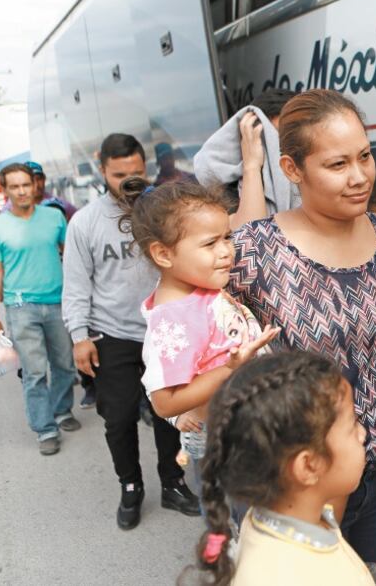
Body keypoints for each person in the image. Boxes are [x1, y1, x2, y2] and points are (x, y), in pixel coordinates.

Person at [229, 89, 376, 586]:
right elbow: (191, 334)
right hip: (295, 485)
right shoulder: (253, 253)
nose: (359, 177)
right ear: (291, 169)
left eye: (365, 157)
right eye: (337, 164)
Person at [61, 134, 198, 529]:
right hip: (114, 335)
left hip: (165, 329)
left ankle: (172, 483)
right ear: (102, 170)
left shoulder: (165, 213)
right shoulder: (85, 222)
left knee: (168, 415)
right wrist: (79, 336)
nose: (128, 180)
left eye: (136, 172)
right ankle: (131, 487)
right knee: (118, 418)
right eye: (119, 174)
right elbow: (76, 284)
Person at [115, 176, 278, 477]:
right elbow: (164, 401)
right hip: (229, 443)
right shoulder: (174, 319)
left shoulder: (198, 288)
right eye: (210, 243)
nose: (227, 251)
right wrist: (230, 369)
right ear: (163, 254)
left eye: (226, 237)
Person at [184, 351, 375, 586]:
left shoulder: (263, 516)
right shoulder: (314, 577)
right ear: (308, 465)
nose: (362, 434)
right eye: (352, 426)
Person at [0, 163, 79, 455]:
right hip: (20, 306)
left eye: (26, 184)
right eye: (14, 186)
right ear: (5, 190)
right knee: (35, 372)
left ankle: (62, 410)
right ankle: (45, 428)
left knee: (64, 363)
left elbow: (71, 257)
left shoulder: (54, 218)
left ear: (34, 185)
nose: (22, 191)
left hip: (58, 302)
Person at [194, 88, 298, 229]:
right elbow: (251, 237)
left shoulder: (310, 175)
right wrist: (252, 166)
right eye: (271, 137)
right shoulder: (226, 190)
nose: (277, 147)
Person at [1, 160, 78, 220]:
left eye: (39, 179)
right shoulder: (9, 209)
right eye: (32, 180)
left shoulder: (60, 204)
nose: (36, 184)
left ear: (44, 179)